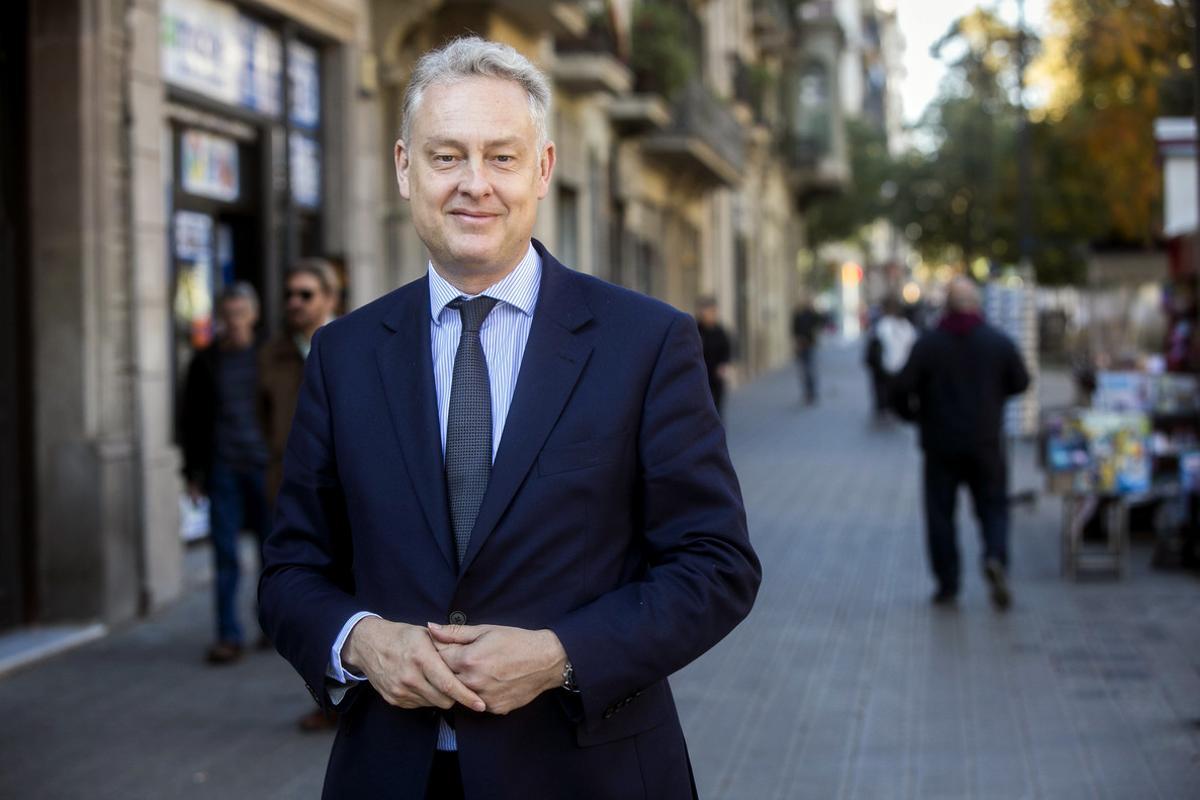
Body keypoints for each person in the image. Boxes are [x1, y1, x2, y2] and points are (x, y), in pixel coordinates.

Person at [258, 37, 761, 799]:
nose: (474, 185)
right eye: (446, 156)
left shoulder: (646, 342)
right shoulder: (343, 354)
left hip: (589, 771)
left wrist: (563, 654)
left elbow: (715, 566)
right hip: (392, 774)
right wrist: (360, 640)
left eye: (501, 157)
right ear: (403, 167)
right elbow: (292, 570)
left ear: (544, 169)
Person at [891, 277, 1030, 610]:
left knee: (940, 514)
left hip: (940, 444)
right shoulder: (997, 342)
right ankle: (995, 556)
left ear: (947, 306)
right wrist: (994, 398)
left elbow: (899, 388)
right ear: (976, 304)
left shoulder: (929, 344)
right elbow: (1021, 381)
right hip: (985, 442)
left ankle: (948, 583)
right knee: (993, 506)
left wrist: (915, 417)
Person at [256, 259, 342, 731]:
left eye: (306, 294)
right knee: (299, 583)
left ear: (329, 298)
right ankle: (326, 694)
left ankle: (346, 697)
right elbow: (258, 412)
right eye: (289, 294)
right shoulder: (272, 355)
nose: (295, 303)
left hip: (347, 490)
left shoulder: (354, 346)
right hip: (286, 481)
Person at [180, 282, 271, 664]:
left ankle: (272, 628)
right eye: (227, 314)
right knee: (226, 555)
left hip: (267, 468)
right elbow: (189, 419)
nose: (234, 322)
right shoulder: (205, 362)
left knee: (274, 556)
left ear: (253, 315)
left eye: (240, 314)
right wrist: (193, 473)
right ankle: (228, 635)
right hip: (223, 469)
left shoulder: (269, 356)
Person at [868, 297, 917, 422]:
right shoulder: (906, 325)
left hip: (887, 365)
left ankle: (885, 408)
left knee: (886, 390)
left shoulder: (883, 325)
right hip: (901, 365)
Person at [695, 296, 733, 415]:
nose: (708, 314)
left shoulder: (719, 331)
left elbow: (726, 350)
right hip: (700, 375)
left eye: (711, 311)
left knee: (717, 406)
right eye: (705, 311)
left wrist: (724, 365)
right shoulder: (695, 329)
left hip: (716, 376)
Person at [791, 297, 822, 405]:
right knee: (804, 370)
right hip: (801, 346)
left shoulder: (811, 315)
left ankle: (812, 392)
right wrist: (799, 341)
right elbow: (794, 330)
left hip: (810, 345)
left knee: (810, 369)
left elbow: (819, 322)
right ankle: (807, 392)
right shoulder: (798, 315)